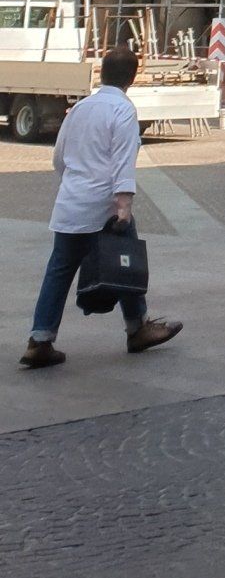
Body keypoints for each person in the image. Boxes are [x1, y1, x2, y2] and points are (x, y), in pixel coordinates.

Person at [20, 48, 182, 370]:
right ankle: (138, 328)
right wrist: (124, 204)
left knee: (59, 270)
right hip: (104, 207)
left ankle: (40, 339)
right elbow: (123, 159)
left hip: (70, 203)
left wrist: (75, 184)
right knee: (126, 262)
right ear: (132, 77)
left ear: (101, 74)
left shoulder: (79, 109)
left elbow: (58, 158)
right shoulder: (122, 111)